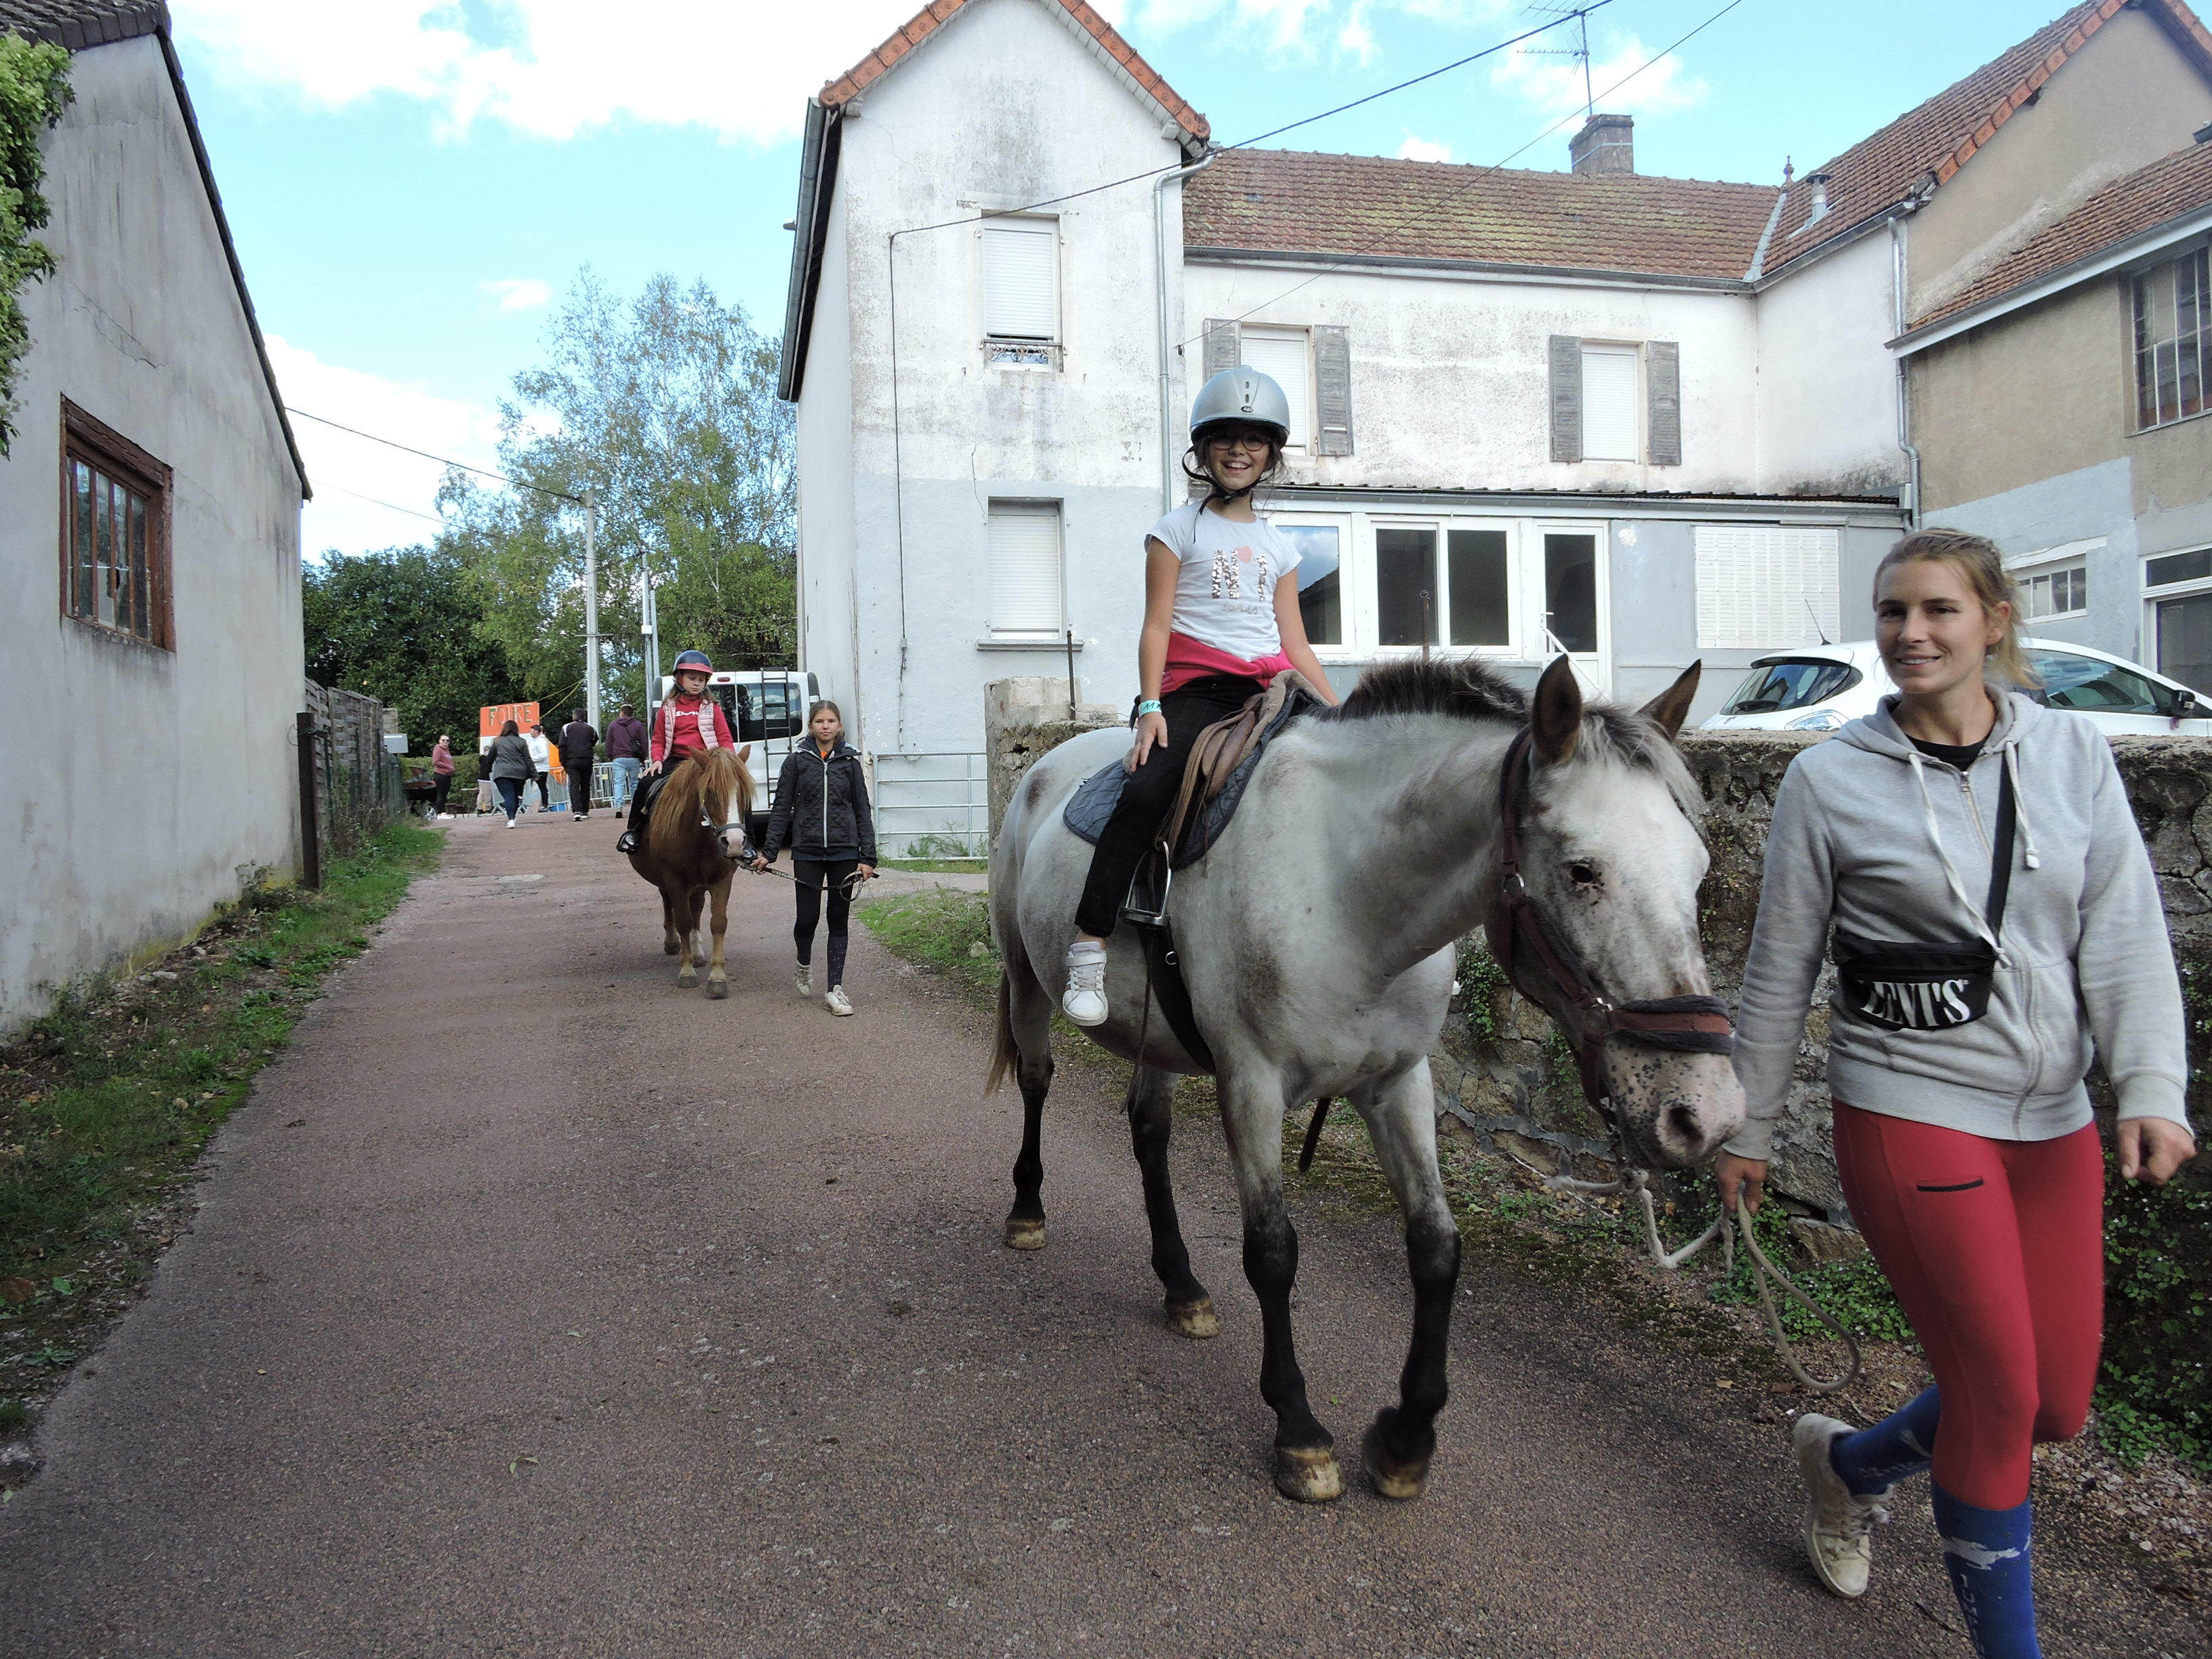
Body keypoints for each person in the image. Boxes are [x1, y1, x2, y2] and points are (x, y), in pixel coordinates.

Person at [1717, 529, 2197, 1658]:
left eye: (1937, 609)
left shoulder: (2071, 754)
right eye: (1892, 611)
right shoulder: (1826, 780)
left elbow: (2123, 929)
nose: (1910, 632)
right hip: (1908, 1105)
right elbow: (1779, 967)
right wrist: (1747, 1124)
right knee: (1994, 1397)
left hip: (2052, 1116)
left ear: (1993, 621)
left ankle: (1847, 1465)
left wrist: (2150, 1086)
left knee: (2055, 1404)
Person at [1061, 366, 1339, 1025]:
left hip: (1271, 690)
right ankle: (1090, 945)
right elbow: (1156, 626)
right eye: (1226, 439)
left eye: (1254, 440)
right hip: (1198, 691)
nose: (1239, 451)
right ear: (1203, 448)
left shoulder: (1280, 547)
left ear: (1272, 453)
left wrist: (1337, 714)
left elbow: (1296, 645)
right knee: (1145, 790)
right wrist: (1150, 707)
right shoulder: (1176, 530)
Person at [752, 701, 876, 1017]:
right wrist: (769, 852)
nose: (826, 726)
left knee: (838, 919)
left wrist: (868, 857)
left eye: (831, 721)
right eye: (820, 721)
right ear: (810, 727)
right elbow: (782, 807)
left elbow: (862, 809)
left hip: (844, 850)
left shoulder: (850, 763)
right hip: (807, 850)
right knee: (807, 919)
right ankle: (803, 962)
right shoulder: (796, 761)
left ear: (839, 726)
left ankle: (835, 989)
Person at [615, 650, 737, 856]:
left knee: (737, 789)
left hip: (705, 762)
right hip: (676, 761)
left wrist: (730, 761)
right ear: (679, 678)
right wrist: (657, 760)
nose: (697, 683)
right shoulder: (668, 708)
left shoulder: (712, 708)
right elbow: (658, 739)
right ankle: (633, 832)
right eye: (692, 678)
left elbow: (724, 737)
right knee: (645, 784)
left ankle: (748, 841)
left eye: (701, 680)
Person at [486, 719, 535, 828]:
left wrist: (487, 770)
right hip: (519, 773)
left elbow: (490, 757)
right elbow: (528, 759)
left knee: (509, 795)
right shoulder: (522, 742)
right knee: (515, 796)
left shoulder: (497, 741)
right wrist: (534, 773)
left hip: (502, 773)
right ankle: (512, 816)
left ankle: (511, 818)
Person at [606, 701, 647, 814]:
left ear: (622, 713)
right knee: (634, 783)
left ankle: (619, 807)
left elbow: (609, 742)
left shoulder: (613, 725)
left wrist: (610, 755)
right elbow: (644, 742)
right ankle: (635, 807)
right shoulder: (638, 725)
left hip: (618, 758)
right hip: (633, 758)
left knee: (619, 782)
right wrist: (643, 757)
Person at [558, 707, 599, 821]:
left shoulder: (566, 728)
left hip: (572, 760)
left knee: (574, 785)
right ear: (584, 717)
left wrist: (564, 762)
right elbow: (594, 740)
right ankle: (585, 810)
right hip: (587, 759)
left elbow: (562, 746)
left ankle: (577, 811)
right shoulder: (590, 728)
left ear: (574, 716)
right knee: (586, 785)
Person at [525, 722, 554, 813]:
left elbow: (543, 754)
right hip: (536, 768)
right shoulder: (536, 741)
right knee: (541, 787)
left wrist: (531, 759)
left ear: (536, 732)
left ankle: (545, 804)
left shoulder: (540, 741)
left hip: (540, 768)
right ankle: (544, 804)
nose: (530, 732)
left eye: (531, 731)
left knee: (542, 787)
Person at [429, 734, 455, 819]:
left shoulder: (446, 750)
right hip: (440, 775)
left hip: (447, 775)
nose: (445, 742)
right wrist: (448, 767)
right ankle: (440, 813)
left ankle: (443, 812)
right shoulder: (438, 749)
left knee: (444, 795)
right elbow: (435, 762)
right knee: (441, 794)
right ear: (439, 741)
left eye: (447, 740)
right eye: (443, 740)